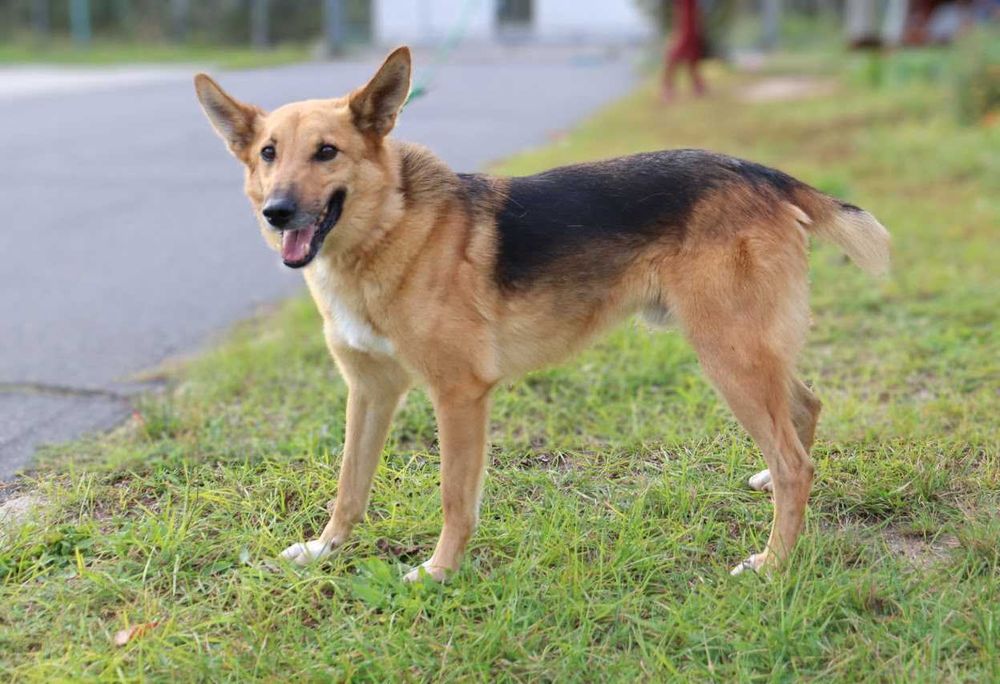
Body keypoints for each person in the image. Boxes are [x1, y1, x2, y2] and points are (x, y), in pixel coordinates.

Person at [662, 0, 707, 101]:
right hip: (687, 22)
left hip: (691, 20)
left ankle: (697, 84)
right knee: (679, 48)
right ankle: (667, 86)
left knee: (693, 51)